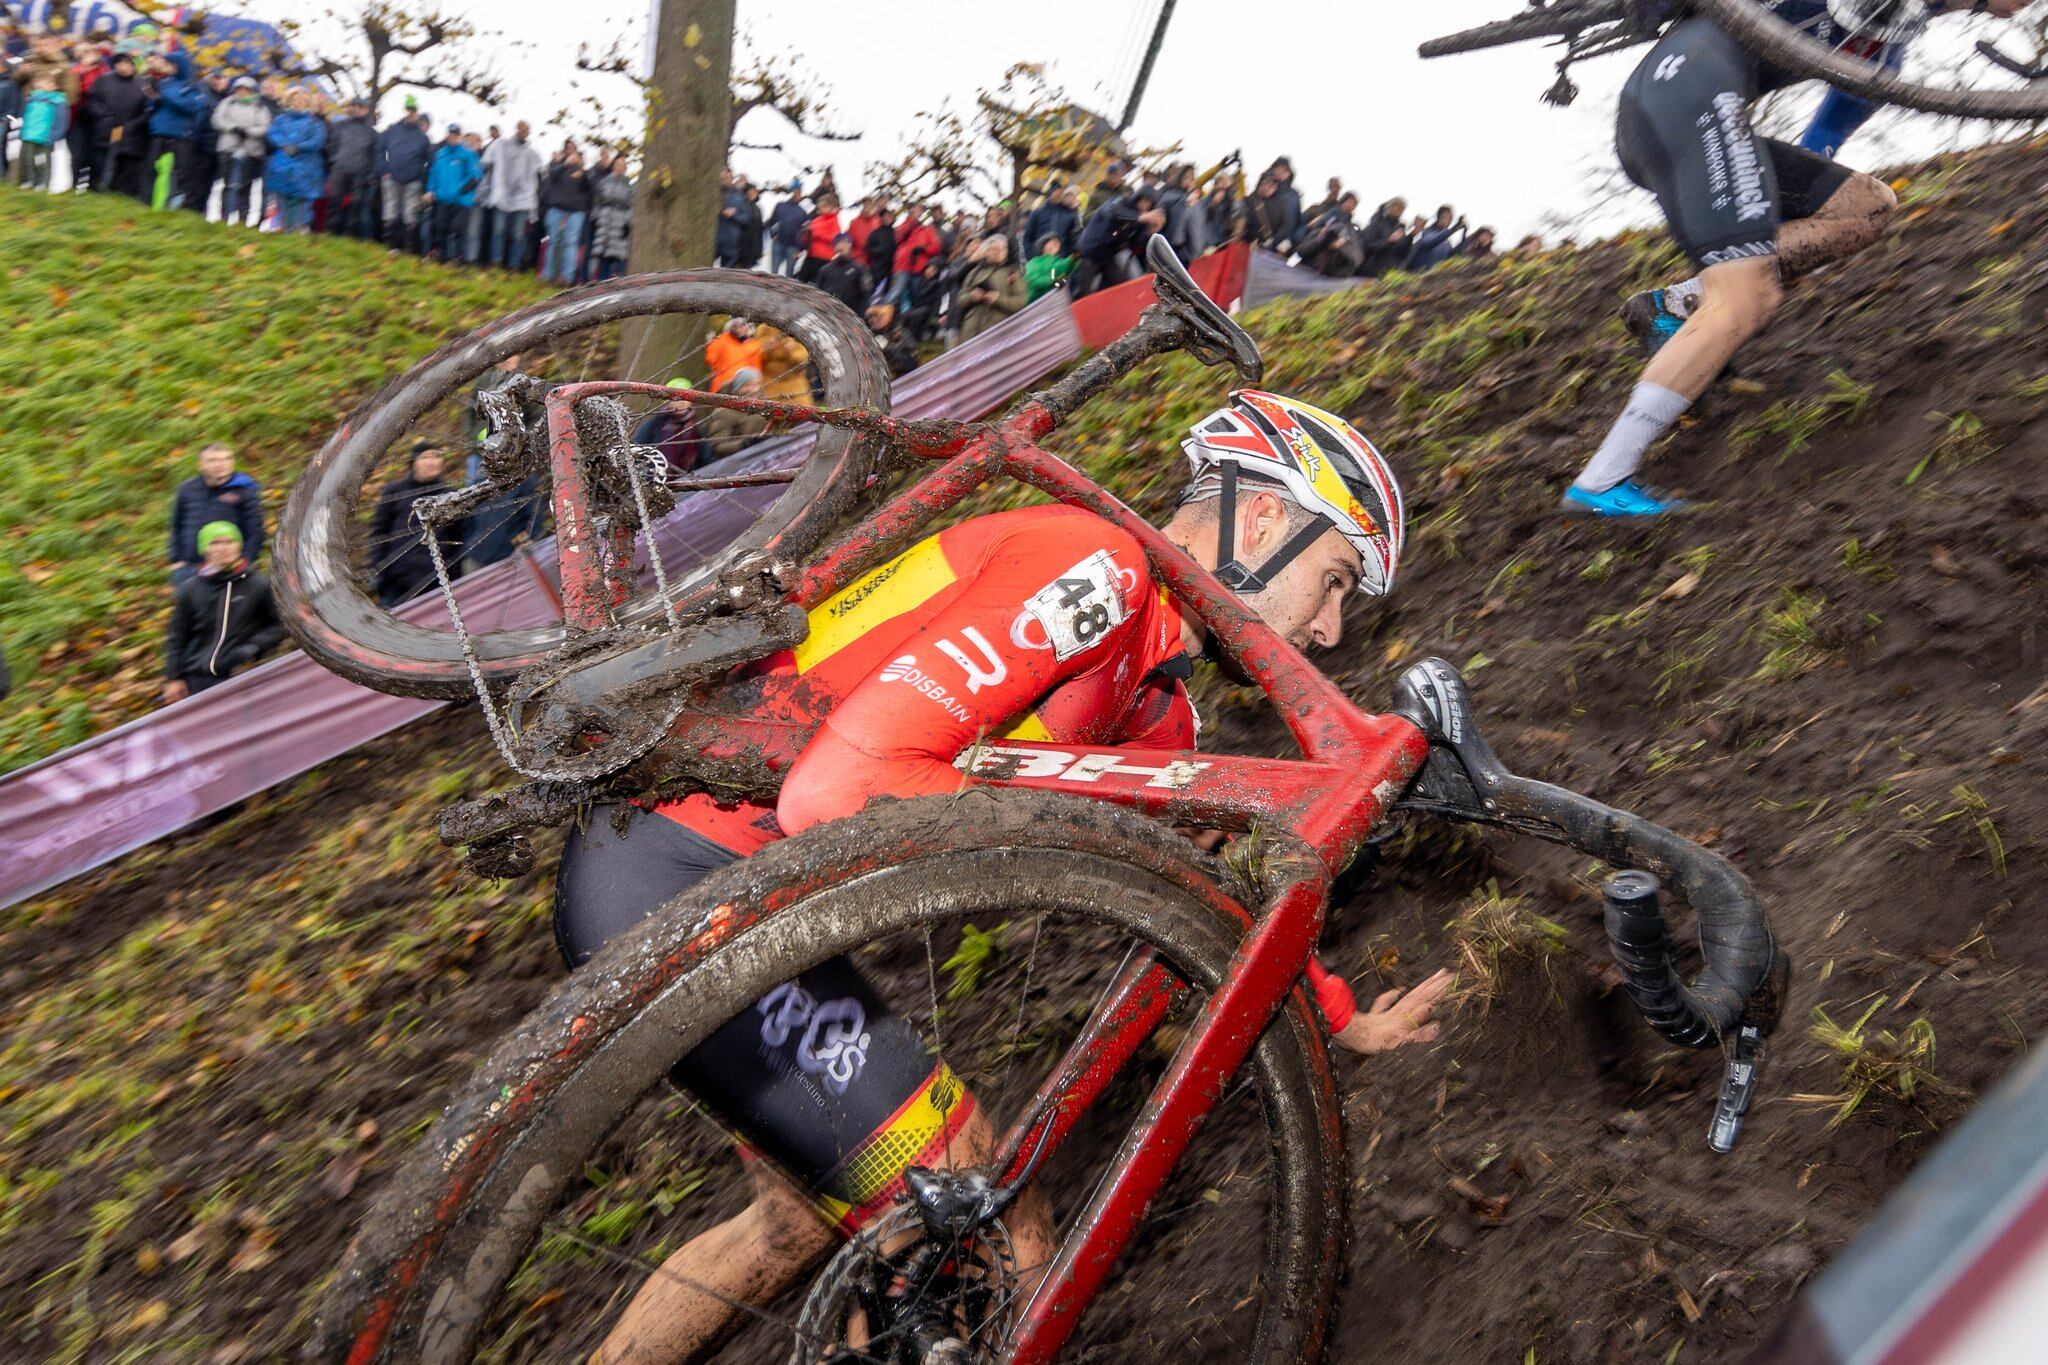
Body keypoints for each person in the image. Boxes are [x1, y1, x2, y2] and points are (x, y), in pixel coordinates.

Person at [553, 389, 1448, 1362]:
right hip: (684, 871)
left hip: (711, 885)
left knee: (790, 1231)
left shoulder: (1155, 713)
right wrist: (1066, 842)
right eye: (1334, 581)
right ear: (1265, 516)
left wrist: (1343, 1018)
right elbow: (839, 793)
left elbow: (1223, 895)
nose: (1328, 632)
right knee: (982, 1230)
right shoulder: (1093, 567)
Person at [1560, 0, 2014, 517]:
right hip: (1685, 99)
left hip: (1700, 114)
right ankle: (1602, 480)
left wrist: (1750, 233)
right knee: (1746, 299)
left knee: (1866, 207)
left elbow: (1819, 146)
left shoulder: (1885, 53)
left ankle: (1680, 304)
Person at [162, 521, 284, 703]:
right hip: (195, 681)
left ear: (238, 546)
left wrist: (254, 646)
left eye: (229, 541)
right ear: (205, 550)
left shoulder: (258, 585)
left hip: (238, 679)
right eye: (215, 543)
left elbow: (280, 624)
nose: (223, 548)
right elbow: (177, 636)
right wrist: (173, 677)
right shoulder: (190, 589)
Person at [369, 442, 462, 607]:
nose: (431, 461)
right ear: (413, 463)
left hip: (436, 583)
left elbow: (458, 538)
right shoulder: (394, 491)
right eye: (425, 457)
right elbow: (379, 532)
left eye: (436, 456)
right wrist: (378, 571)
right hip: (397, 582)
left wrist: (454, 575)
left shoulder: (451, 495)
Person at [168, 444, 264, 585]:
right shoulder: (187, 489)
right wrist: (175, 560)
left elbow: (256, 531)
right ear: (201, 464)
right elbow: (176, 526)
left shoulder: (243, 490)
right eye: (213, 460)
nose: (221, 464)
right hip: (188, 569)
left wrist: (245, 561)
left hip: (227, 569)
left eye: (226, 459)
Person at [1071, 185, 1166, 297]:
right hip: (1089, 252)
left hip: (1108, 256)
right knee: (1083, 290)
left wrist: (1150, 232)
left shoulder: (1140, 220)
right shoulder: (1121, 202)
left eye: (1149, 203)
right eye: (1144, 200)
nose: (1145, 205)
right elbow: (1112, 213)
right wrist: (1140, 217)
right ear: (1138, 197)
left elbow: (1136, 243)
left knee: (1120, 286)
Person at [142, 50, 207, 210]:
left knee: (177, 174)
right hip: (158, 132)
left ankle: (171, 207)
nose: (165, 67)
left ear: (178, 65)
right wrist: (152, 98)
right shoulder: (164, 83)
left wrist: (164, 96)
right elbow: (154, 105)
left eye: (169, 64)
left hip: (180, 136)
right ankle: (146, 203)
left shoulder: (192, 87)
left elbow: (191, 107)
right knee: (151, 169)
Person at [83, 50, 147, 197]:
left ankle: (113, 190)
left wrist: (133, 124)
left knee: (119, 160)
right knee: (99, 160)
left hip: (128, 130)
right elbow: (92, 101)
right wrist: (102, 116)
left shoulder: (143, 84)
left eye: (128, 64)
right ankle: (94, 188)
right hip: (104, 127)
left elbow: (149, 108)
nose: (124, 67)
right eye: (120, 63)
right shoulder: (103, 80)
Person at [482, 119, 543, 269]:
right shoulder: (501, 145)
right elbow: (486, 162)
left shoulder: (531, 153)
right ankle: (496, 262)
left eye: (526, 130)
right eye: (521, 129)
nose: (523, 132)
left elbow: (539, 174)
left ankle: (513, 265)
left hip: (522, 199)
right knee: (498, 230)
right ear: (516, 129)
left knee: (517, 234)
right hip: (501, 194)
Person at [265, 89, 328, 234]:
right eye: (295, 99)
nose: (298, 102)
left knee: (302, 199)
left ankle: (299, 228)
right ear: (289, 101)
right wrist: (284, 145)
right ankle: (284, 226)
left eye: (302, 100)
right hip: (282, 164)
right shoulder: (281, 119)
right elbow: (273, 133)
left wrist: (299, 147)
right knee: (282, 197)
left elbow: (318, 141)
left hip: (306, 166)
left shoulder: (315, 122)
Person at [209, 77, 269, 226]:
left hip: (250, 151)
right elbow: (217, 119)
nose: (242, 92)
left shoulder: (260, 107)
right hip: (228, 147)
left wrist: (248, 131)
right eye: (239, 89)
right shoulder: (227, 103)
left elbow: (265, 126)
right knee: (227, 183)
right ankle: (224, 216)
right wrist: (232, 128)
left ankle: (242, 219)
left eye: (246, 89)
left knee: (245, 186)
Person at [377, 104, 433, 252]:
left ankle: (407, 249)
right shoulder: (392, 130)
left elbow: (429, 161)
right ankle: (390, 246)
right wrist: (384, 170)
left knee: (410, 216)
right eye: (409, 111)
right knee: (390, 212)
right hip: (391, 177)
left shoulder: (423, 137)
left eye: (414, 112)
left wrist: (421, 179)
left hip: (413, 181)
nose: (411, 115)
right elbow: (380, 150)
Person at [951, 233, 1025, 343]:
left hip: (998, 334)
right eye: (994, 249)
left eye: (1003, 249)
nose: (999, 252)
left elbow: (1021, 302)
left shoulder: (1012, 273)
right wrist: (971, 297)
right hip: (970, 333)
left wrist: (998, 299)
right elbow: (960, 299)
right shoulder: (974, 272)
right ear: (986, 251)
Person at [423, 123, 481, 261]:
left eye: (455, 135)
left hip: (461, 201)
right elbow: (433, 174)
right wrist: (430, 191)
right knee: (439, 227)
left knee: (457, 230)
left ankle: (456, 258)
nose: (452, 137)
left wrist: (460, 191)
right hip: (442, 198)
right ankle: (438, 255)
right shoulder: (440, 154)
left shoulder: (468, 154)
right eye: (450, 134)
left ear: (459, 136)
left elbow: (475, 175)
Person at [539, 142, 592, 284]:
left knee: (571, 243)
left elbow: (588, 189)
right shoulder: (557, 166)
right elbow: (551, 175)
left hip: (576, 211)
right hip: (556, 208)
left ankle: (567, 278)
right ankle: (548, 275)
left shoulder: (582, 171)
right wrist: (565, 164)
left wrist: (582, 171)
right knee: (554, 242)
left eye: (573, 149)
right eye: (568, 148)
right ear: (564, 150)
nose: (571, 151)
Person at [325, 98, 379, 238]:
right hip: (339, 169)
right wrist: (334, 162)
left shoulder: (372, 133)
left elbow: (375, 155)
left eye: (361, 107)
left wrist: (370, 174)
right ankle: (331, 233)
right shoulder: (339, 126)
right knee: (334, 201)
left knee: (356, 205)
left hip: (360, 173)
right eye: (355, 106)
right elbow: (331, 145)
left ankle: (349, 235)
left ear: (366, 110)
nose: (358, 109)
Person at [9, 71, 65, 190]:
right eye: (43, 81)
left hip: (46, 137)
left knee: (43, 162)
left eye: (50, 82)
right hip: (28, 135)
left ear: (55, 86)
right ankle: (28, 180)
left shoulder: (58, 102)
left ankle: (42, 183)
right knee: (26, 160)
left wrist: (54, 136)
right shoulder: (30, 100)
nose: (45, 84)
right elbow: (23, 116)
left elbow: (61, 122)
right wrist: (22, 131)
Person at [700, 367, 771, 458]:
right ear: (737, 388)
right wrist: (744, 444)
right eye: (746, 385)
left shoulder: (767, 407)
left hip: (766, 457)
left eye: (756, 384)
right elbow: (716, 446)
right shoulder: (725, 412)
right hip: (740, 463)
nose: (752, 390)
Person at [589, 149, 635, 281]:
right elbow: (597, 202)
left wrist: (628, 222)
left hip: (620, 222)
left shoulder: (628, 186)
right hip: (604, 221)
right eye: (618, 165)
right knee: (603, 254)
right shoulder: (603, 182)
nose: (620, 168)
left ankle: (621, 283)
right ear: (614, 166)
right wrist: (595, 218)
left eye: (623, 166)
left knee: (619, 256)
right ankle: (602, 282)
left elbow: (631, 205)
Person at [1296, 193, 1364, 277]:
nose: (1351, 206)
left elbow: (1345, 231)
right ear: (1345, 201)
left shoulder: (1348, 218)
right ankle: (1295, 260)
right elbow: (1323, 223)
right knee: (1309, 247)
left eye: (1354, 204)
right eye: (1350, 202)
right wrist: (1324, 230)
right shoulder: (1335, 211)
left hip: (1334, 238)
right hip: (1322, 234)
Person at [811, 233, 870, 315]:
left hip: (848, 317)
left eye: (845, 243)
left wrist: (858, 316)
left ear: (850, 245)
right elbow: (817, 291)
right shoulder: (825, 269)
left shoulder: (860, 269)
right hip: (825, 314)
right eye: (838, 243)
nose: (841, 246)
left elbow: (866, 295)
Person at [703, 316, 764, 393]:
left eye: (744, 325)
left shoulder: (754, 345)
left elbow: (756, 369)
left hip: (746, 389)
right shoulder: (720, 341)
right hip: (722, 388)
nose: (741, 328)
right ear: (732, 326)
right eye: (738, 325)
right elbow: (710, 360)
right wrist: (710, 344)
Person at [1023, 185, 1079, 265]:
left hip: (1060, 262)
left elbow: (1074, 239)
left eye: (1061, 191)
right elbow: (1028, 237)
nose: (1059, 193)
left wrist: (1068, 260)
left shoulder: (1070, 214)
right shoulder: (1037, 213)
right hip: (1039, 261)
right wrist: (1031, 256)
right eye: (1057, 190)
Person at [1358, 198, 1411, 277]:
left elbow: (1402, 253)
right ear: (1390, 207)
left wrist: (1410, 237)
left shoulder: (1400, 228)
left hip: (1389, 273)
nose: (1400, 210)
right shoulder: (1376, 223)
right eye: (1397, 206)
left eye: (1402, 207)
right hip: (1370, 271)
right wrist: (1389, 241)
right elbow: (1367, 247)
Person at [1405, 206, 1467, 273]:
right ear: (1438, 218)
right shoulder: (1426, 232)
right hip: (1418, 276)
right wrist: (1453, 229)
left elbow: (1454, 256)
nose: (1447, 220)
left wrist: (1464, 233)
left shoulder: (1447, 242)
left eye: (1450, 218)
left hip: (1435, 279)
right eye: (1444, 217)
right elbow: (1430, 242)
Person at [797, 190, 841, 282]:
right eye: (819, 208)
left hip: (823, 258)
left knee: (815, 283)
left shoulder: (834, 221)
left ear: (831, 207)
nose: (820, 210)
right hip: (811, 254)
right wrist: (806, 231)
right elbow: (810, 232)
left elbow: (834, 238)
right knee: (801, 278)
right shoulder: (819, 218)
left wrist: (815, 232)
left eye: (822, 207)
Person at [865, 301, 918, 378]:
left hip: (909, 375)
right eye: (870, 319)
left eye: (876, 316)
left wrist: (887, 348)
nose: (873, 321)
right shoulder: (872, 339)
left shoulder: (900, 332)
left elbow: (911, 361)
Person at [767, 181, 807, 276]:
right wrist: (773, 235)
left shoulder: (802, 211)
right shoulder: (780, 206)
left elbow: (803, 232)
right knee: (774, 272)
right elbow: (772, 221)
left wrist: (799, 249)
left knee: (789, 274)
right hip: (778, 242)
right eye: (795, 190)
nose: (796, 193)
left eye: (799, 191)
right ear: (791, 191)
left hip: (792, 247)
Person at [1024, 233, 1074, 301]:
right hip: (1035, 303)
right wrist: (1052, 281)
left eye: (1057, 241)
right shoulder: (1034, 262)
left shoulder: (1059, 261)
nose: (1056, 243)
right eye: (1052, 241)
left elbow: (1066, 269)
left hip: (1055, 301)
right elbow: (1033, 279)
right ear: (1043, 246)